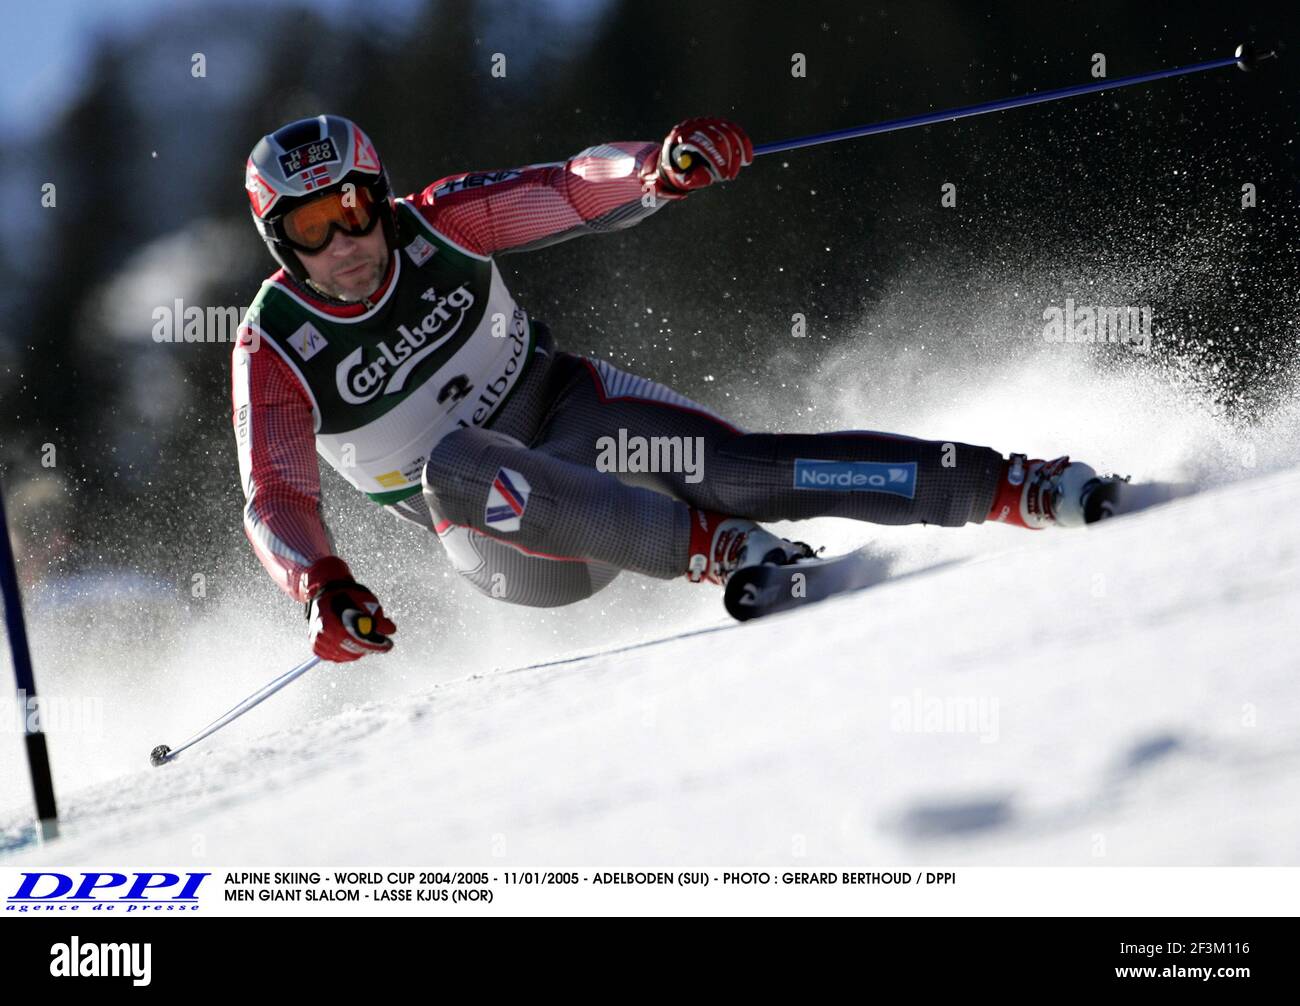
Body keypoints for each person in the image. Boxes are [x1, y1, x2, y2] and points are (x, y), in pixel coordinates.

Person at [234, 114, 1121, 662]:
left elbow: (569, 189)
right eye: (313, 227)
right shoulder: (274, 347)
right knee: (455, 461)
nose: (345, 240)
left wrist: (657, 167)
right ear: (281, 243)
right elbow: (274, 496)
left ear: (379, 196)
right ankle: (724, 551)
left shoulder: (440, 222)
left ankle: (1016, 486)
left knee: (743, 467)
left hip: (572, 411)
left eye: (354, 207)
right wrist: (324, 587)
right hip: (517, 540)